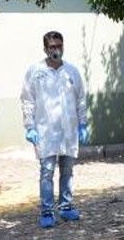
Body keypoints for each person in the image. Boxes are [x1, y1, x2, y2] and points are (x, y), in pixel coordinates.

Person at [21, 31, 88, 229]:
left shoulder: (72, 71)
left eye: (59, 46)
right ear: (45, 49)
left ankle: (66, 207)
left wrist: (82, 124)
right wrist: (30, 126)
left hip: (69, 129)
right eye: (52, 47)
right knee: (47, 171)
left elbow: (81, 99)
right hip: (45, 130)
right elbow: (27, 100)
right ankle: (47, 210)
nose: (56, 50)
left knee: (67, 170)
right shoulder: (35, 71)